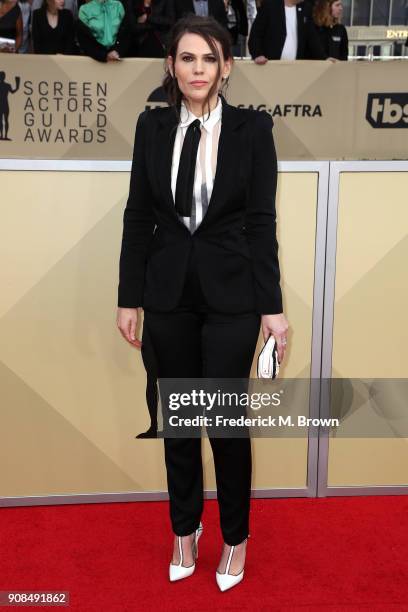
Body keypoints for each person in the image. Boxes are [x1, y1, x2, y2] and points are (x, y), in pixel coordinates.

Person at [117, 14, 289, 592]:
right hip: (168, 296)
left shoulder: (252, 130)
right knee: (180, 424)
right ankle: (184, 530)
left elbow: (261, 222)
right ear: (171, 65)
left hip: (233, 299)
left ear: (227, 67)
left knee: (224, 423)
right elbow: (139, 215)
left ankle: (236, 538)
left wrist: (273, 307)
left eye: (209, 59)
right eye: (187, 58)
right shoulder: (151, 128)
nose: (198, 69)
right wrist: (128, 298)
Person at [248, 0, 327, 63]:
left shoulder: (306, 8)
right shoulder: (270, 5)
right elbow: (256, 34)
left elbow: (312, 38)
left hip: (294, 69)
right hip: (269, 66)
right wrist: (257, 55)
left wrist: (324, 59)